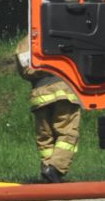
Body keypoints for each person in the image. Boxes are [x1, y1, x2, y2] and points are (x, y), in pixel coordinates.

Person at [16, 35, 82, 183]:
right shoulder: (58, 32)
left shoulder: (24, 43)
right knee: (67, 133)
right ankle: (55, 169)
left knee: (45, 137)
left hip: (40, 95)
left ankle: (48, 172)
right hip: (64, 90)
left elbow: (24, 70)